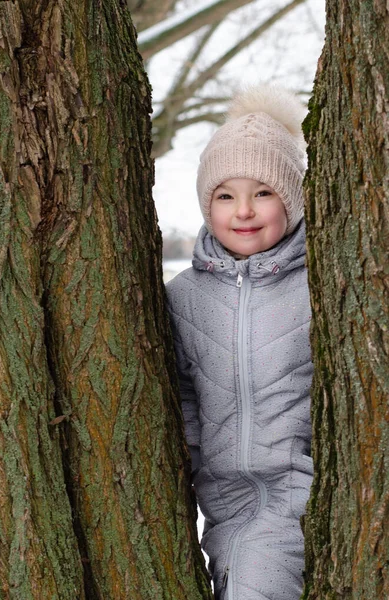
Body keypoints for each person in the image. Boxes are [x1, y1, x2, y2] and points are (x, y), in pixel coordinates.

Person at [165, 85, 313, 600]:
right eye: (226, 195)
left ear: (291, 199)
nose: (244, 210)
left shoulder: (317, 285)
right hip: (223, 501)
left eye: (264, 192)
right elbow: (181, 391)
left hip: (299, 491)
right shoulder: (184, 296)